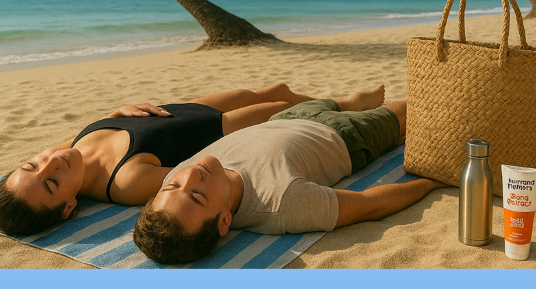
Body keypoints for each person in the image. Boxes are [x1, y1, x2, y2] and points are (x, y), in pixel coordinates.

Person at [133, 86, 448, 264]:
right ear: (224, 221)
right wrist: (430, 182)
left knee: (346, 102)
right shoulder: (280, 204)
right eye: (197, 195)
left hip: (283, 118)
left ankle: (355, 101)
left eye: (172, 186)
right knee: (422, 104)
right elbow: (369, 204)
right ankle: (373, 115)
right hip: (346, 135)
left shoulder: (180, 174)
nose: (190, 175)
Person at [0, 83, 317, 236]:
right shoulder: (125, 182)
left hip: (181, 111)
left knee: (273, 90)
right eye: (51, 183)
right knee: (285, 108)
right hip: (211, 128)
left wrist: (116, 114)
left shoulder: (65, 153)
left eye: (31, 165)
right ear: (68, 206)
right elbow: (197, 174)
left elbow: (100, 130)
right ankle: (342, 105)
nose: (51, 163)